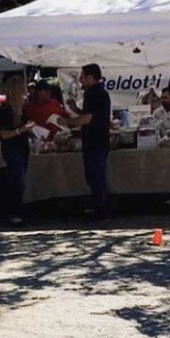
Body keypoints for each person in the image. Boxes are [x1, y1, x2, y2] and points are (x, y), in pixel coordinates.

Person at [64, 63, 111, 220]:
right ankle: (99, 208)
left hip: (95, 142)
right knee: (93, 176)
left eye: (83, 78)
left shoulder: (94, 94)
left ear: (91, 77)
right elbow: (89, 115)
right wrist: (75, 110)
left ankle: (101, 210)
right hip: (96, 141)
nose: (81, 81)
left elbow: (87, 119)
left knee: (96, 176)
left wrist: (66, 122)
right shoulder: (98, 94)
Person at [0, 73, 35, 225]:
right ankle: (14, 212)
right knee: (17, 180)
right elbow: (4, 134)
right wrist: (21, 130)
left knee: (21, 180)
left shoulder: (23, 109)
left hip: (22, 147)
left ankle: (19, 210)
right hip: (12, 148)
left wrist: (29, 131)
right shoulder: (6, 111)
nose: (25, 93)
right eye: (22, 89)